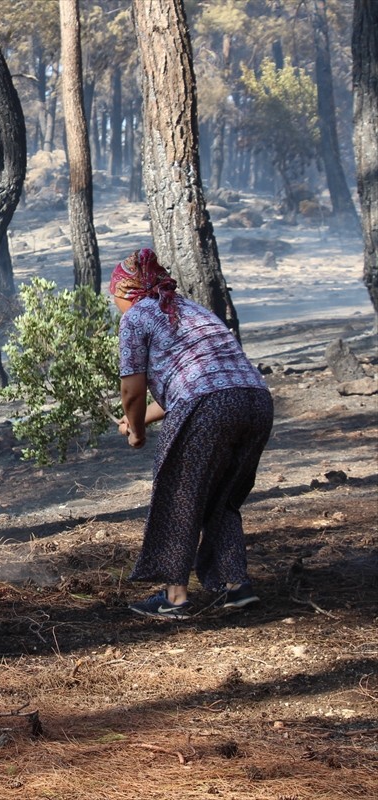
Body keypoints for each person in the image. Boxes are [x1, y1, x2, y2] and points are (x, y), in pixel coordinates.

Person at [111, 247, 273, 620]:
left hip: (207, 405)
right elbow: (193, 384)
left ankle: (175, 597)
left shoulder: (136, 316)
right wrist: (139, 421)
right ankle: (237, 586)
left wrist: (135, 432)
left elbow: (131, 391)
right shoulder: (192, 309)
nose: (116, 305)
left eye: (115, 298)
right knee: (223, 497)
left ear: (126, 292)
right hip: (255, 401)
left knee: (178, 493)